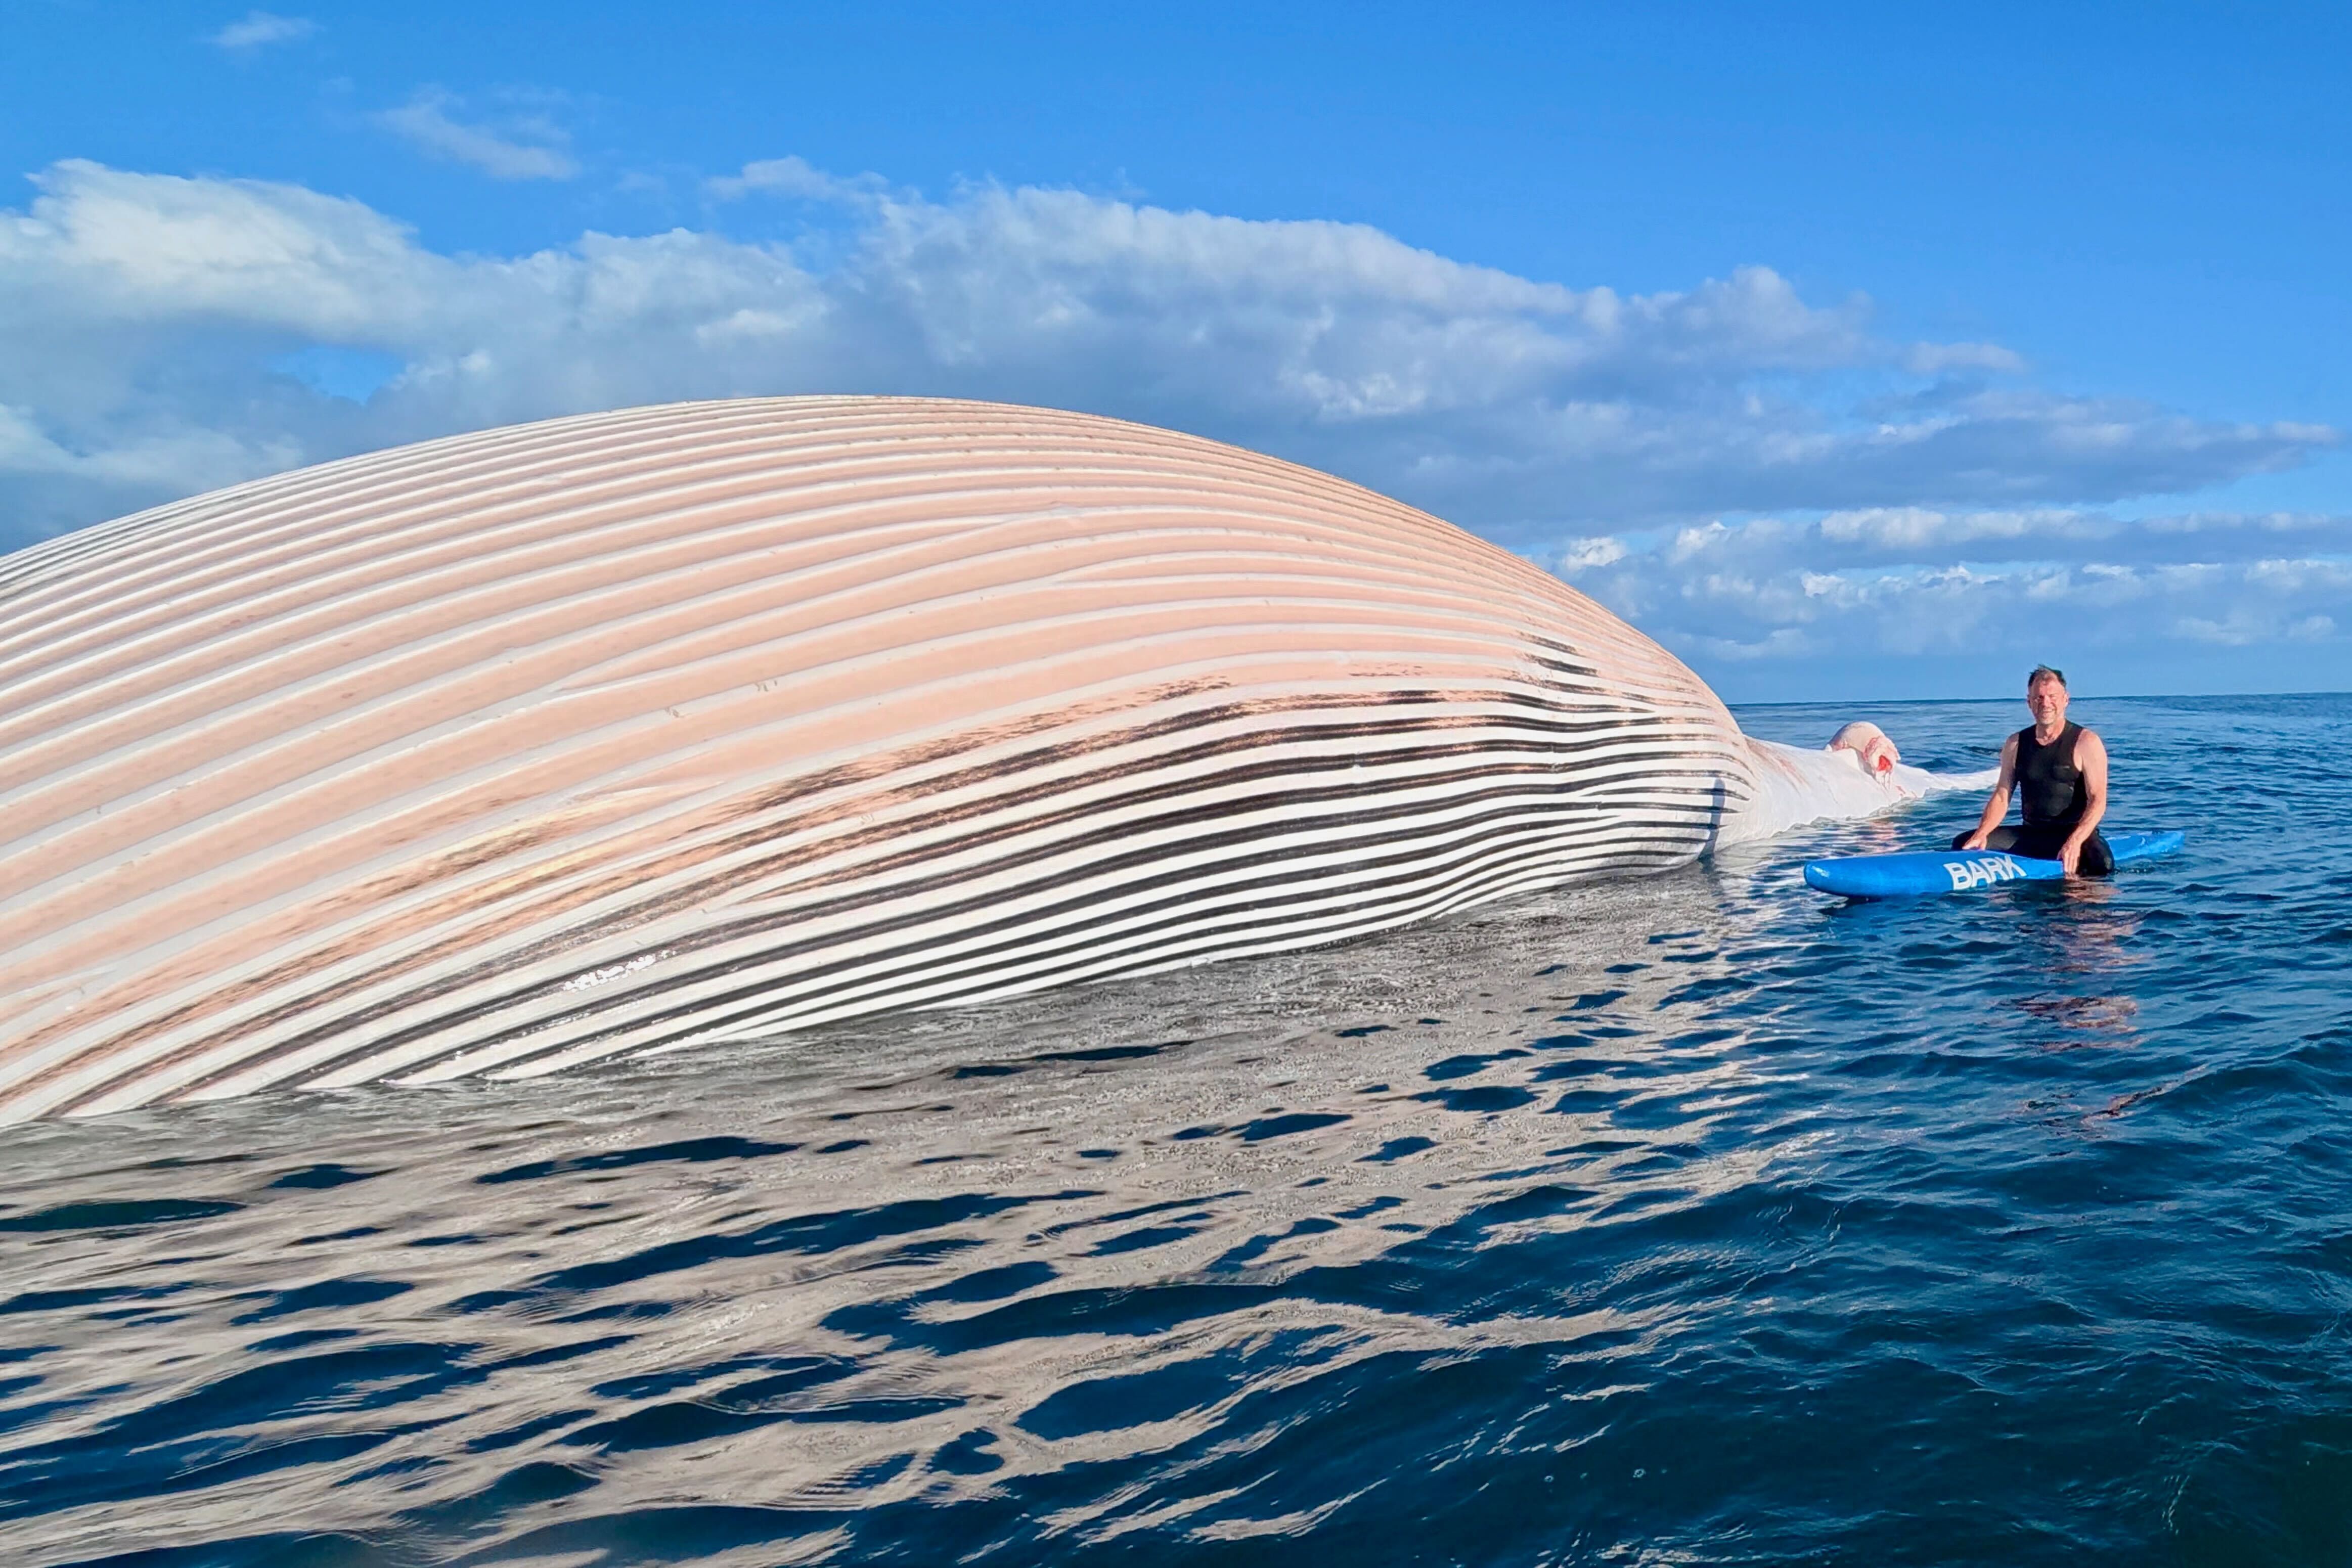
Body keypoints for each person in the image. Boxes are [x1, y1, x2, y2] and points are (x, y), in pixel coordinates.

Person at [1952, 665, 2113, 876]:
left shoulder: (2086, 742)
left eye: (2052, 697)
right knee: (1962, 843)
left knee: (2103, 865)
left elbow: (2098, 800)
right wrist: (1982, 833)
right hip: (2032, 835)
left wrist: (2075, 842)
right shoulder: (2015, 744)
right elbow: (2002, 796)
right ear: (2029, 702)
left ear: (2066, 699)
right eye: (2038, 698)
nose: (2045, 703)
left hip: (2075, 834)